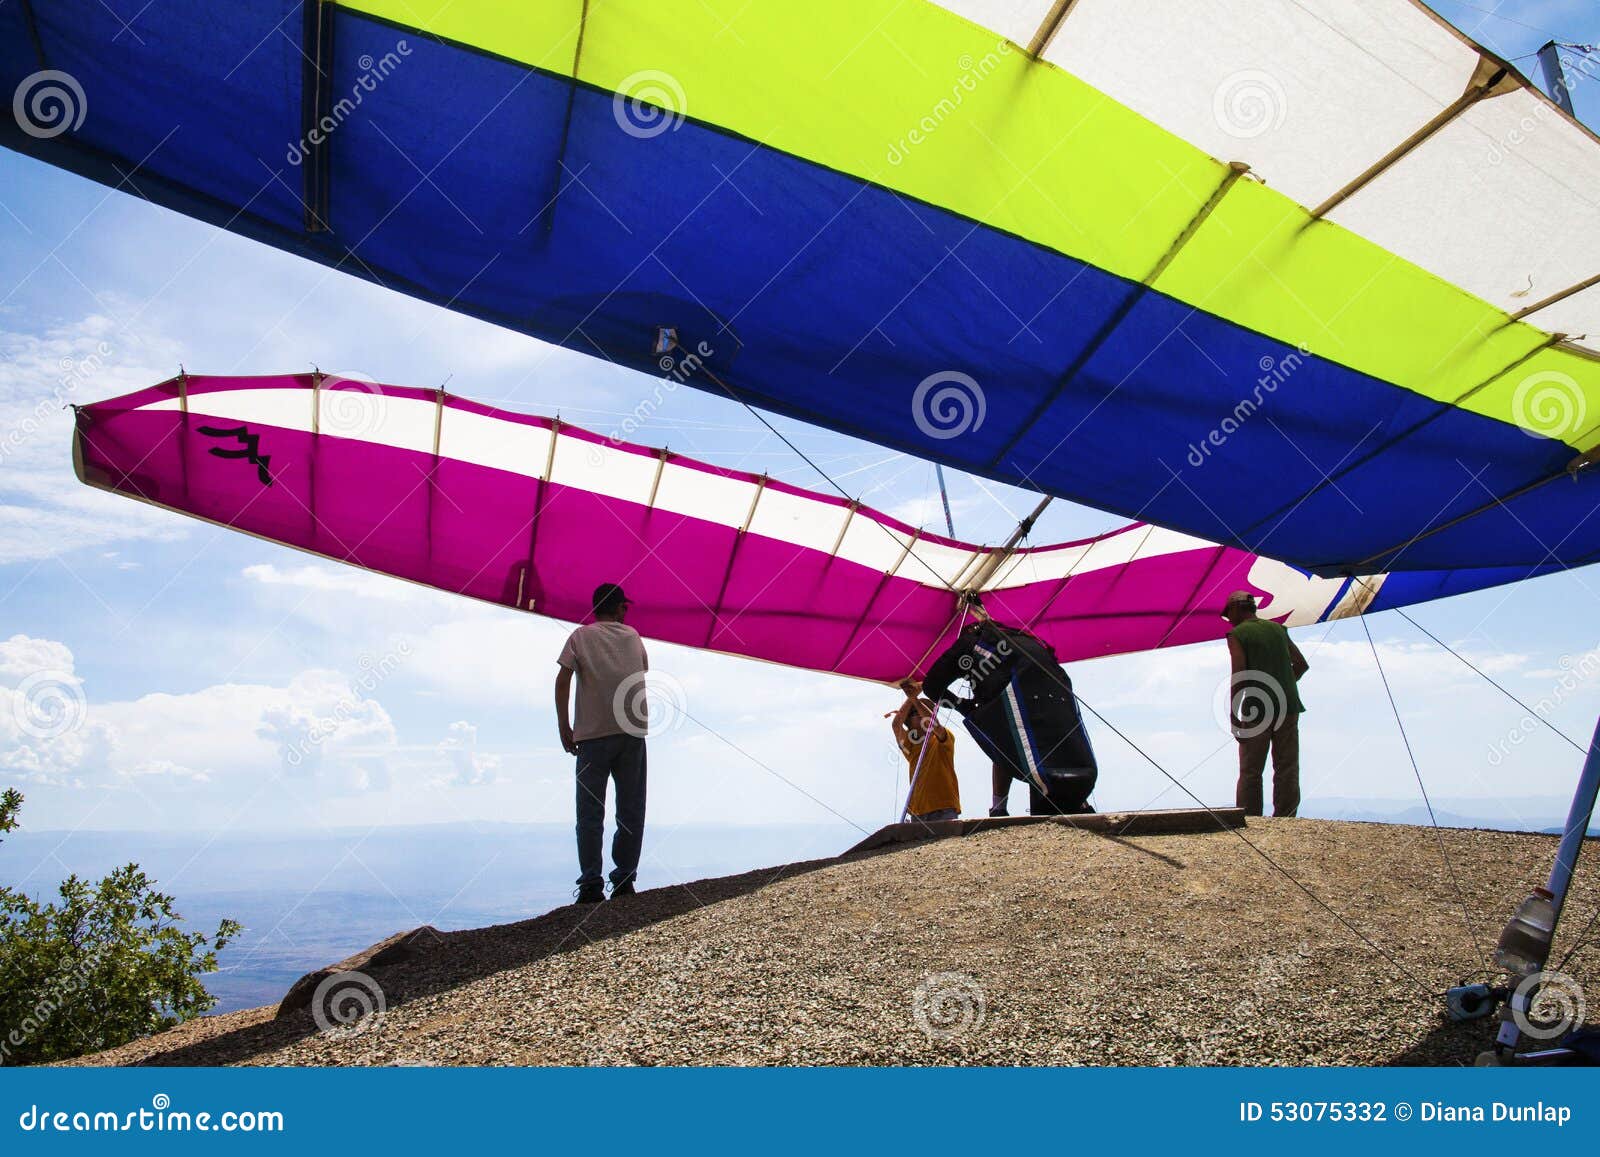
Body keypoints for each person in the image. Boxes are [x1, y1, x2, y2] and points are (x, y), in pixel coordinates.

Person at [920, 598, 1097, 816]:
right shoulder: (1018, 637)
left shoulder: (968, 644)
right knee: (1054, 744)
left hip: (1024, 687)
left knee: (999, 737)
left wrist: (963, 706)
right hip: (1057, 689)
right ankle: (1080, 803)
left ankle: (999, 808)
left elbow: (931, 686)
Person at [555, 582, 649, 904]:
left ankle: (591, 886)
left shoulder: (580, 637)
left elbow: (563, 679)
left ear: (595, 608)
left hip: (592, 736)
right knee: (631, 810)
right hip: (631, 733)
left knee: (590, 813)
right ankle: (623, 881)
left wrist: (564, 725)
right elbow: (641, 668)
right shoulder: (633, 636)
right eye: (625, 607)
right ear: (620, 608)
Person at [1222, 589, 1308, 818]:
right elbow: (1301, 665)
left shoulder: (1237, 634)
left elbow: (1239, 674)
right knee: (1287, 766)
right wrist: (1283, 682)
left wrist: (1233, 714)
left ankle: (1251, 818)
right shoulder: (1278, 629)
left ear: (1236, 608)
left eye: (1228, 613)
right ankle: (1286, 817)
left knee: (1251, 770)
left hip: (1257, 707)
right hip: (1289, 706)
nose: (1228, 619)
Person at [890, 684, 960, 824]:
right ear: (909, 721)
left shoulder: (942, 738)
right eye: (914, 713)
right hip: (918, 811)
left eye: (923, 711)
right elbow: (896, 725)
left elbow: (933, 724)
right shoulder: (910, 744)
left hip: (944, 807)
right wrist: (912, 697)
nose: (920, 714)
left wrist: (914, 699)